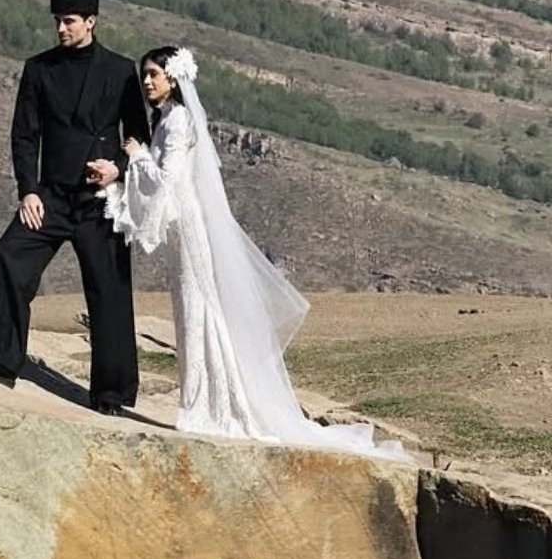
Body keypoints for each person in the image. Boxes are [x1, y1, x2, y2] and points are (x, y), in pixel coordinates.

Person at [102, 45, 407, 459]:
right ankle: (204, 401)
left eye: (154, 74)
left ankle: (211, 405)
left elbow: (167, 179)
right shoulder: (168, 118)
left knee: (199, 310)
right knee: (193, 310)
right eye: (145, 75)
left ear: (173, 78)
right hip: (182, 229)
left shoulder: (178, 121)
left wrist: (136, 157)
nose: (147, 82)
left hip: (189, 227)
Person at [0, 0, 151, 413]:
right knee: (9, 256)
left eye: (69, 21)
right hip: (51, 196)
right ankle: (4, 358)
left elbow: (140, 134)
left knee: (110, 290)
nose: (61, 28)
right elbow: (25, 136)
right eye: (58, 21)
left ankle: (112, 394)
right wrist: (28, 190)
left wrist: (118, 166)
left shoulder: (120, 70)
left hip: (101, 200)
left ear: (90, 22)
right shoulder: (38, 69)